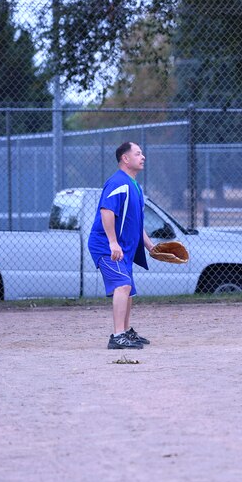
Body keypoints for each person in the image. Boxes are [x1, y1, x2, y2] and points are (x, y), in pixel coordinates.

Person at [87, 141, 156, 349]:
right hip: (106, 246)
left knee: (129, 291)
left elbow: (137, 225)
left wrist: (151, 247)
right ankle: (117, 336)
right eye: (138, 153)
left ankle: (125, 332)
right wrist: (112, 242)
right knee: (122, 285)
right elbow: (106, 211)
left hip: (122, 248)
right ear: (125, 159)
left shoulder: (135, 186)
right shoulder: (118, 182)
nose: (142, 157)